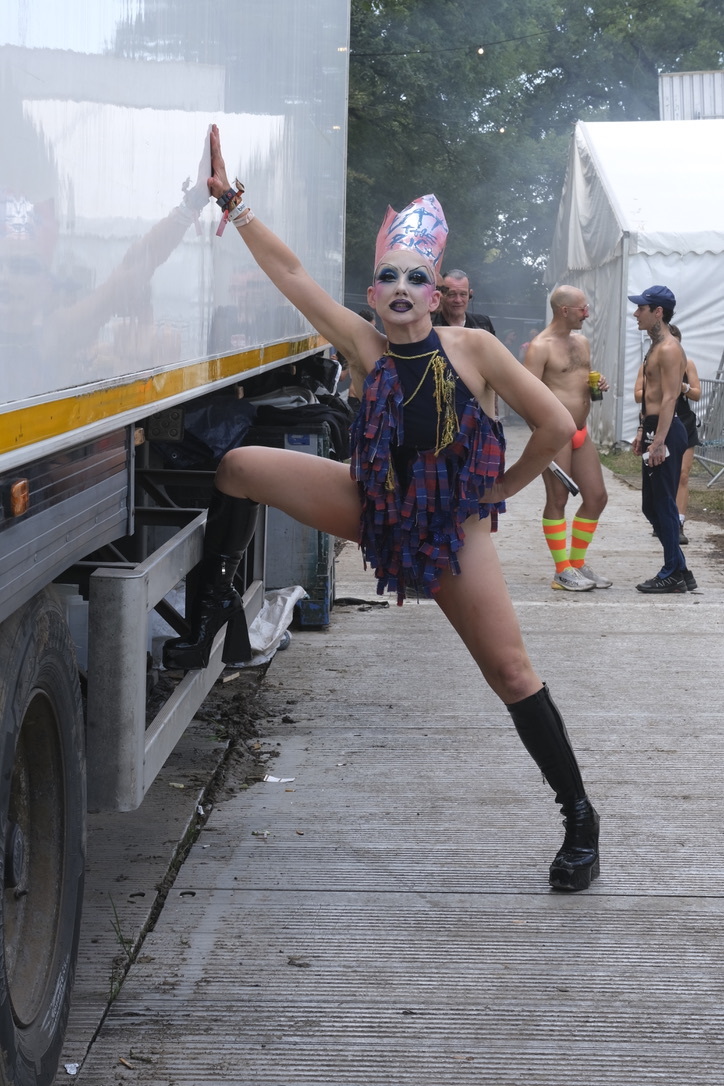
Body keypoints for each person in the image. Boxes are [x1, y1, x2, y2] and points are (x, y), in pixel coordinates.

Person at [163, 123, 600, 892]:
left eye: (416, 279)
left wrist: (499, 490)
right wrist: (235, 202)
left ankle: (579, 818)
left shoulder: (474, 351)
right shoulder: (364, 346)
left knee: (509, 669)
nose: (403, 289)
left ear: (436, 292)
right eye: (389, 277)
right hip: (373, 505)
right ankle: (209, 614)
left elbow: (557, 427)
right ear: (374, 293)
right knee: (236, 466)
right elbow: (292, 276)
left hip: (450, 530)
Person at [523, 286, 611, 591]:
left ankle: (576, 563)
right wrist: (542, 437)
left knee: (597, 497)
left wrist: (597, 383)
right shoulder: (540, 346)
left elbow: (578, 383)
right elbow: (525, 397)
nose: (587, 314)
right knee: (558, 499)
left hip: (581, 430)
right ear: (564, 310)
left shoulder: (582, 342)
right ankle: (562, 571)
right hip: (555, 434)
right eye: (582, 309)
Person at [629, 286, 697, 593]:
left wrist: (658, 442)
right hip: (655, 428)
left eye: (641, 308)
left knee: (664, 504)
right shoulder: (653, 347)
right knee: (651, 506)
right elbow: (650, 399)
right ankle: (682, 570)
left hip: (668, 431)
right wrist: (643, 431)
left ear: (658, 312)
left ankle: (672, 572)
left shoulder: (670, 349)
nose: (636, 313)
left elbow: (670, 398)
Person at [634, 323, 700, 545]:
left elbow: (697, 394)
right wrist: (662, 386)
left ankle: (678, 523)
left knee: (682, 474)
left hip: (682, 421)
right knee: (660, 477)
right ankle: (663, 520)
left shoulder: (686, 363)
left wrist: (682, 387)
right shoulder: (650, 360)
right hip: (657, 421)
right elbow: (638, 394)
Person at [433, 268, 495, 334]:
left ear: (470, 295)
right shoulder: (430, 325)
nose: (458, 300)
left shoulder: (483, 323)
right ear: (441, 295)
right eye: (451, 294)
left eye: (463, 294)